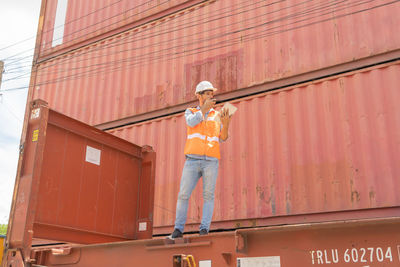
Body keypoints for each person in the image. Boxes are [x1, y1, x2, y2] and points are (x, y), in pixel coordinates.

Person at [169, 80, 232, 239]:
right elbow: (191, 122)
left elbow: (223, 138)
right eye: (208, 94)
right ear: (199, 96)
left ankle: (204, 229)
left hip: (211, 161)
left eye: (212, 94)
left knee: (208, 196)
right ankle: (178, 229)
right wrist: (203, 110)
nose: (211, 97)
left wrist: (226, 123)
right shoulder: (189, 111)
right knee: (183, 195)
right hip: (192, 160)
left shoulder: (217, 115)